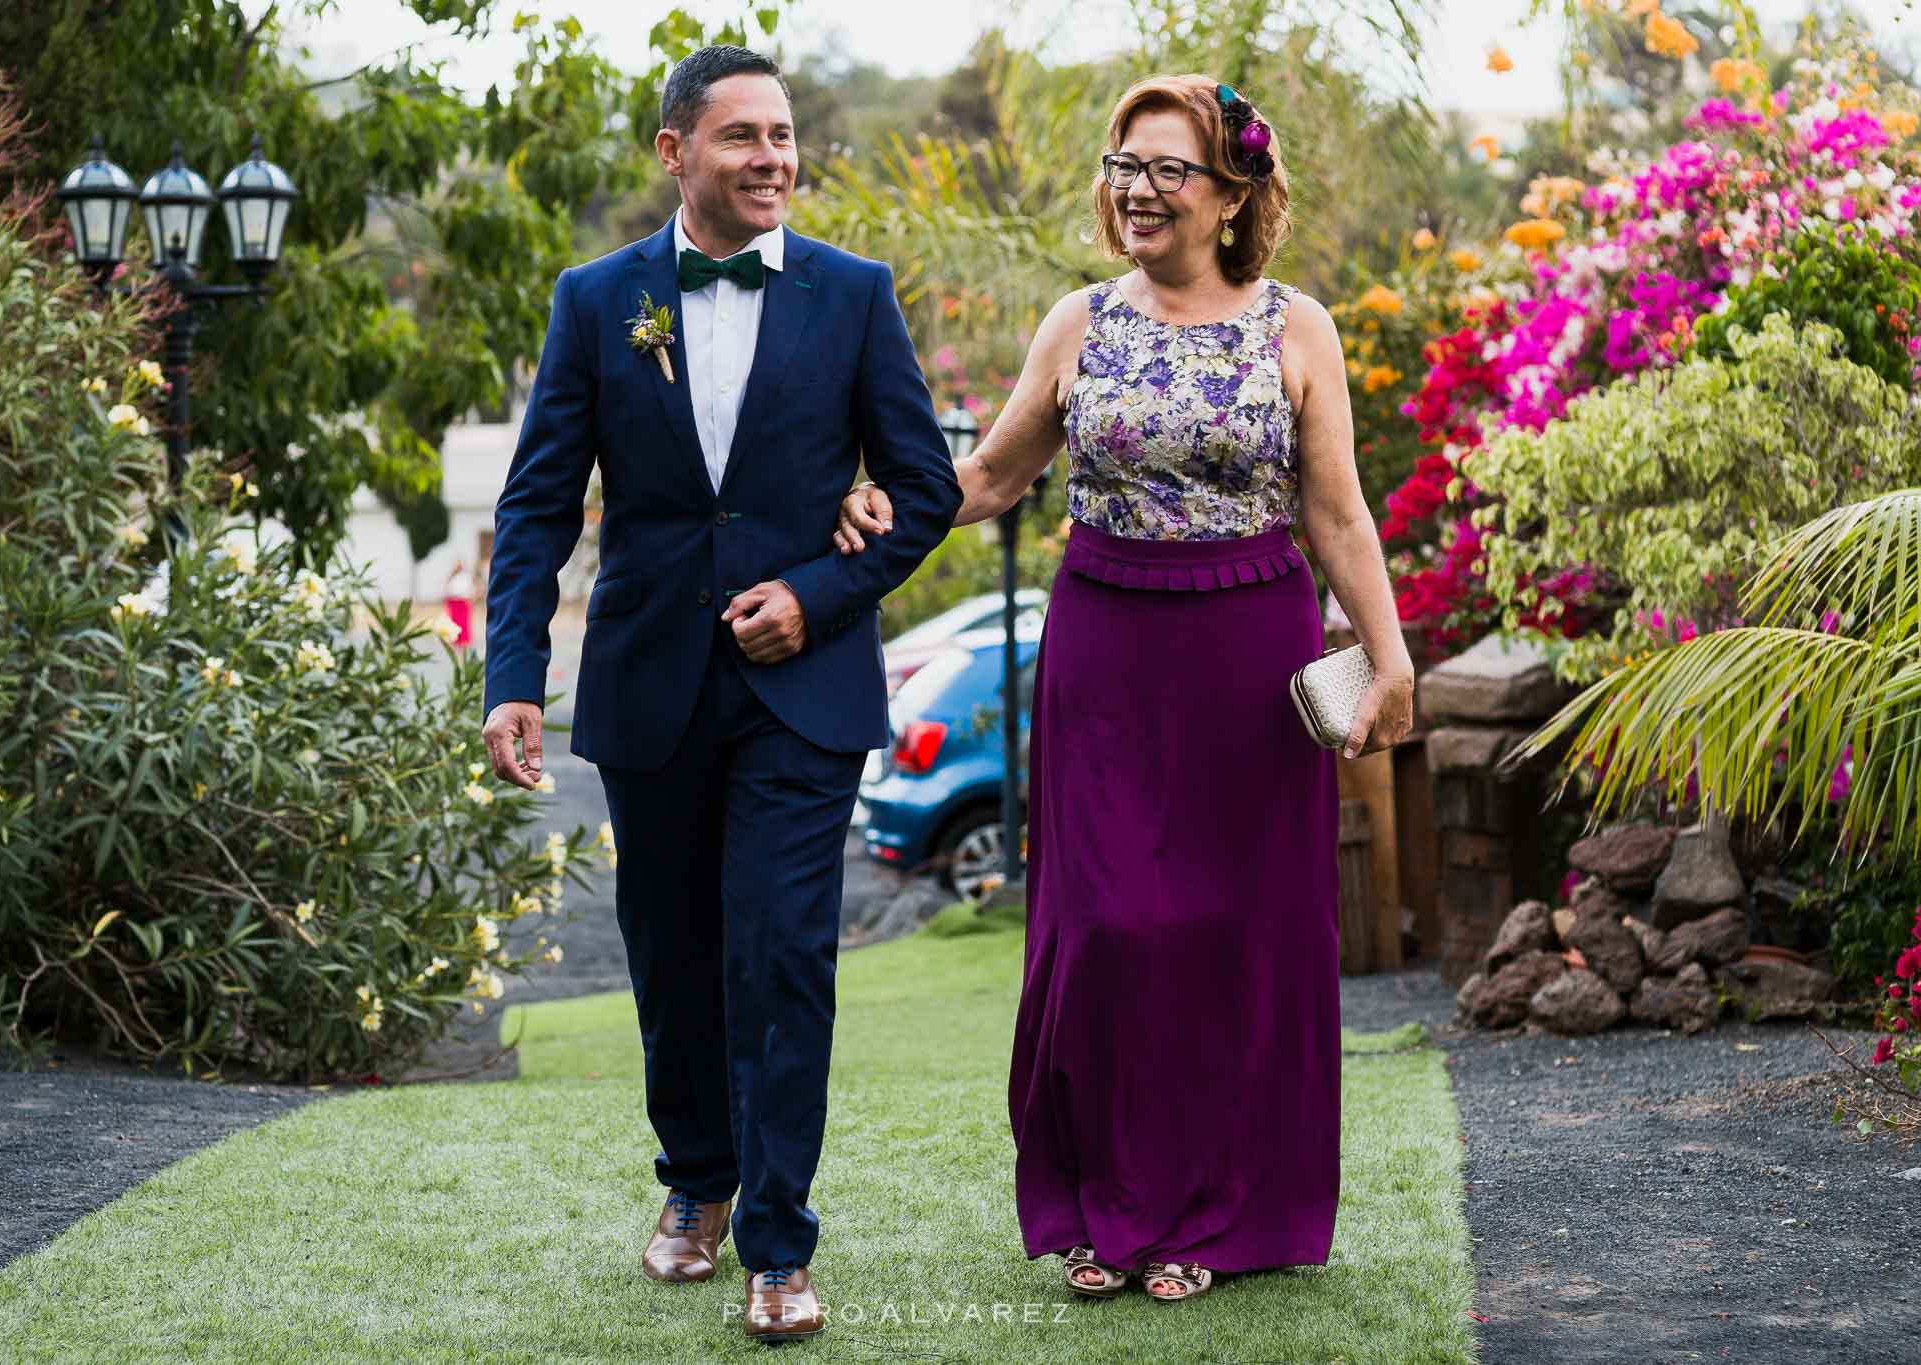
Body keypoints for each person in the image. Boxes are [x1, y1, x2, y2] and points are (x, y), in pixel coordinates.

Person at [834, 74, 1414, 1301]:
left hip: (1248, 655)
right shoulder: (1079, 320)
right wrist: (869, 514)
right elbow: (986, 477)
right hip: (1103, 652)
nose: (1136, 190)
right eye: (1122, 164)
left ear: (1231, 194)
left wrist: (1392, 652)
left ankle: (1210, 1218)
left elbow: (1335, 510)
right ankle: (1105, 1205)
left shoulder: (1292, 326)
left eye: (1167, 170)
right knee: (1104, 931)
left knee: (1227, 936)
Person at [478, 46, 961, 1344]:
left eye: (786, 135)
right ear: (674, 152)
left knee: (785, 958)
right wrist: (512, 678)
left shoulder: (856, 297)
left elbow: (926, 490)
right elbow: (534, 508)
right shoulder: (595, 303)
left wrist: (817, 593)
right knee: (676, 959)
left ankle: (779, 1244)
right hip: (646, 689)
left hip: (801, 693)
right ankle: (695, 1177)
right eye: (742, 135)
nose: (773, 158)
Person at [443, 558, 476, 651]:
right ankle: (455, 640)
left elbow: (470, 589)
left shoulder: (466, 577)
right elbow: (447, 588)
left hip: (463, 601)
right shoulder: (452, 577)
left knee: (463, 623)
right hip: (453, 602)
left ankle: (463, 642)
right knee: (454, 622)